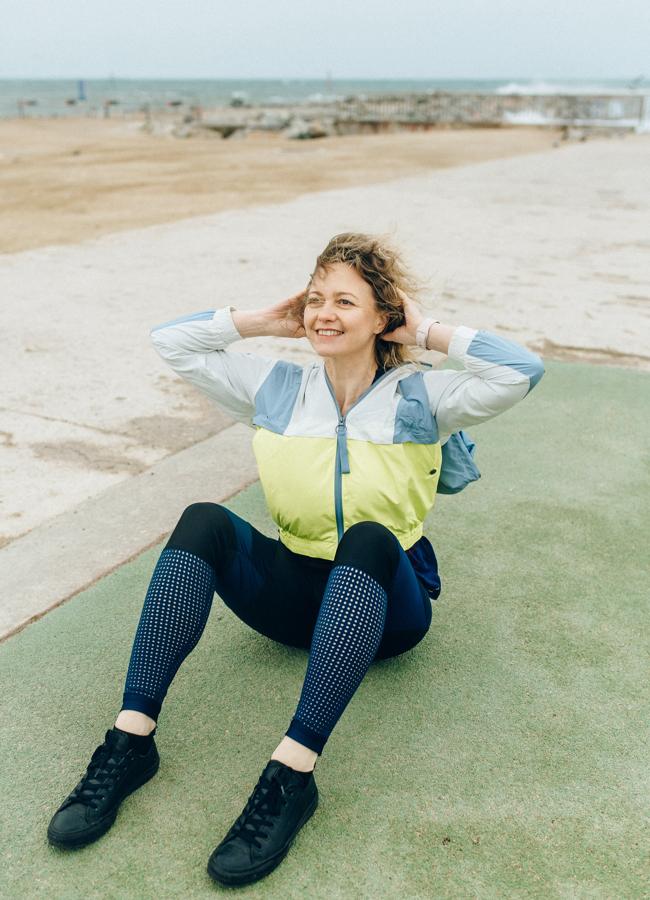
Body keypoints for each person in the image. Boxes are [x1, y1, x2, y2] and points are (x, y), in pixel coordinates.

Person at [47, 232, 545, 886]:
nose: (324, 313)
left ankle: (291, 774)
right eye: (315, 299)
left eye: (345, 300)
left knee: (369, 537)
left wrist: (429, 332)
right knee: (204, 522)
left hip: (385, 607)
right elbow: (170, 341)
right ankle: (131, 740)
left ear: (382, 315)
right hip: (289, 598)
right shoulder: (276, 386)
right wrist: (262, 322)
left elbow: (522, 369)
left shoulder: (424, 398)